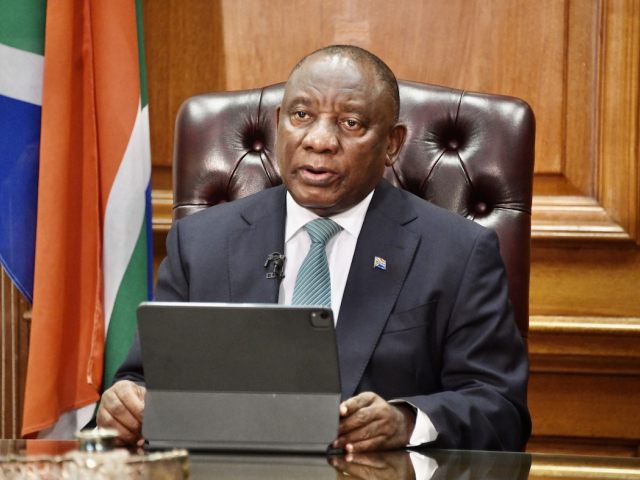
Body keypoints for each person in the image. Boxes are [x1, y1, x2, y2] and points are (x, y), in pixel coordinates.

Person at [97, 45, 531, 452]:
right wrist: (124, 403)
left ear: (392, 144)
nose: (319, 140)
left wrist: (406, 421)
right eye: (302, 115)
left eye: (350, 123)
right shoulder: (201, 242)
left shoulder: (457, 252)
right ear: (278, 123)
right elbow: (145, 379)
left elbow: (499, 407)